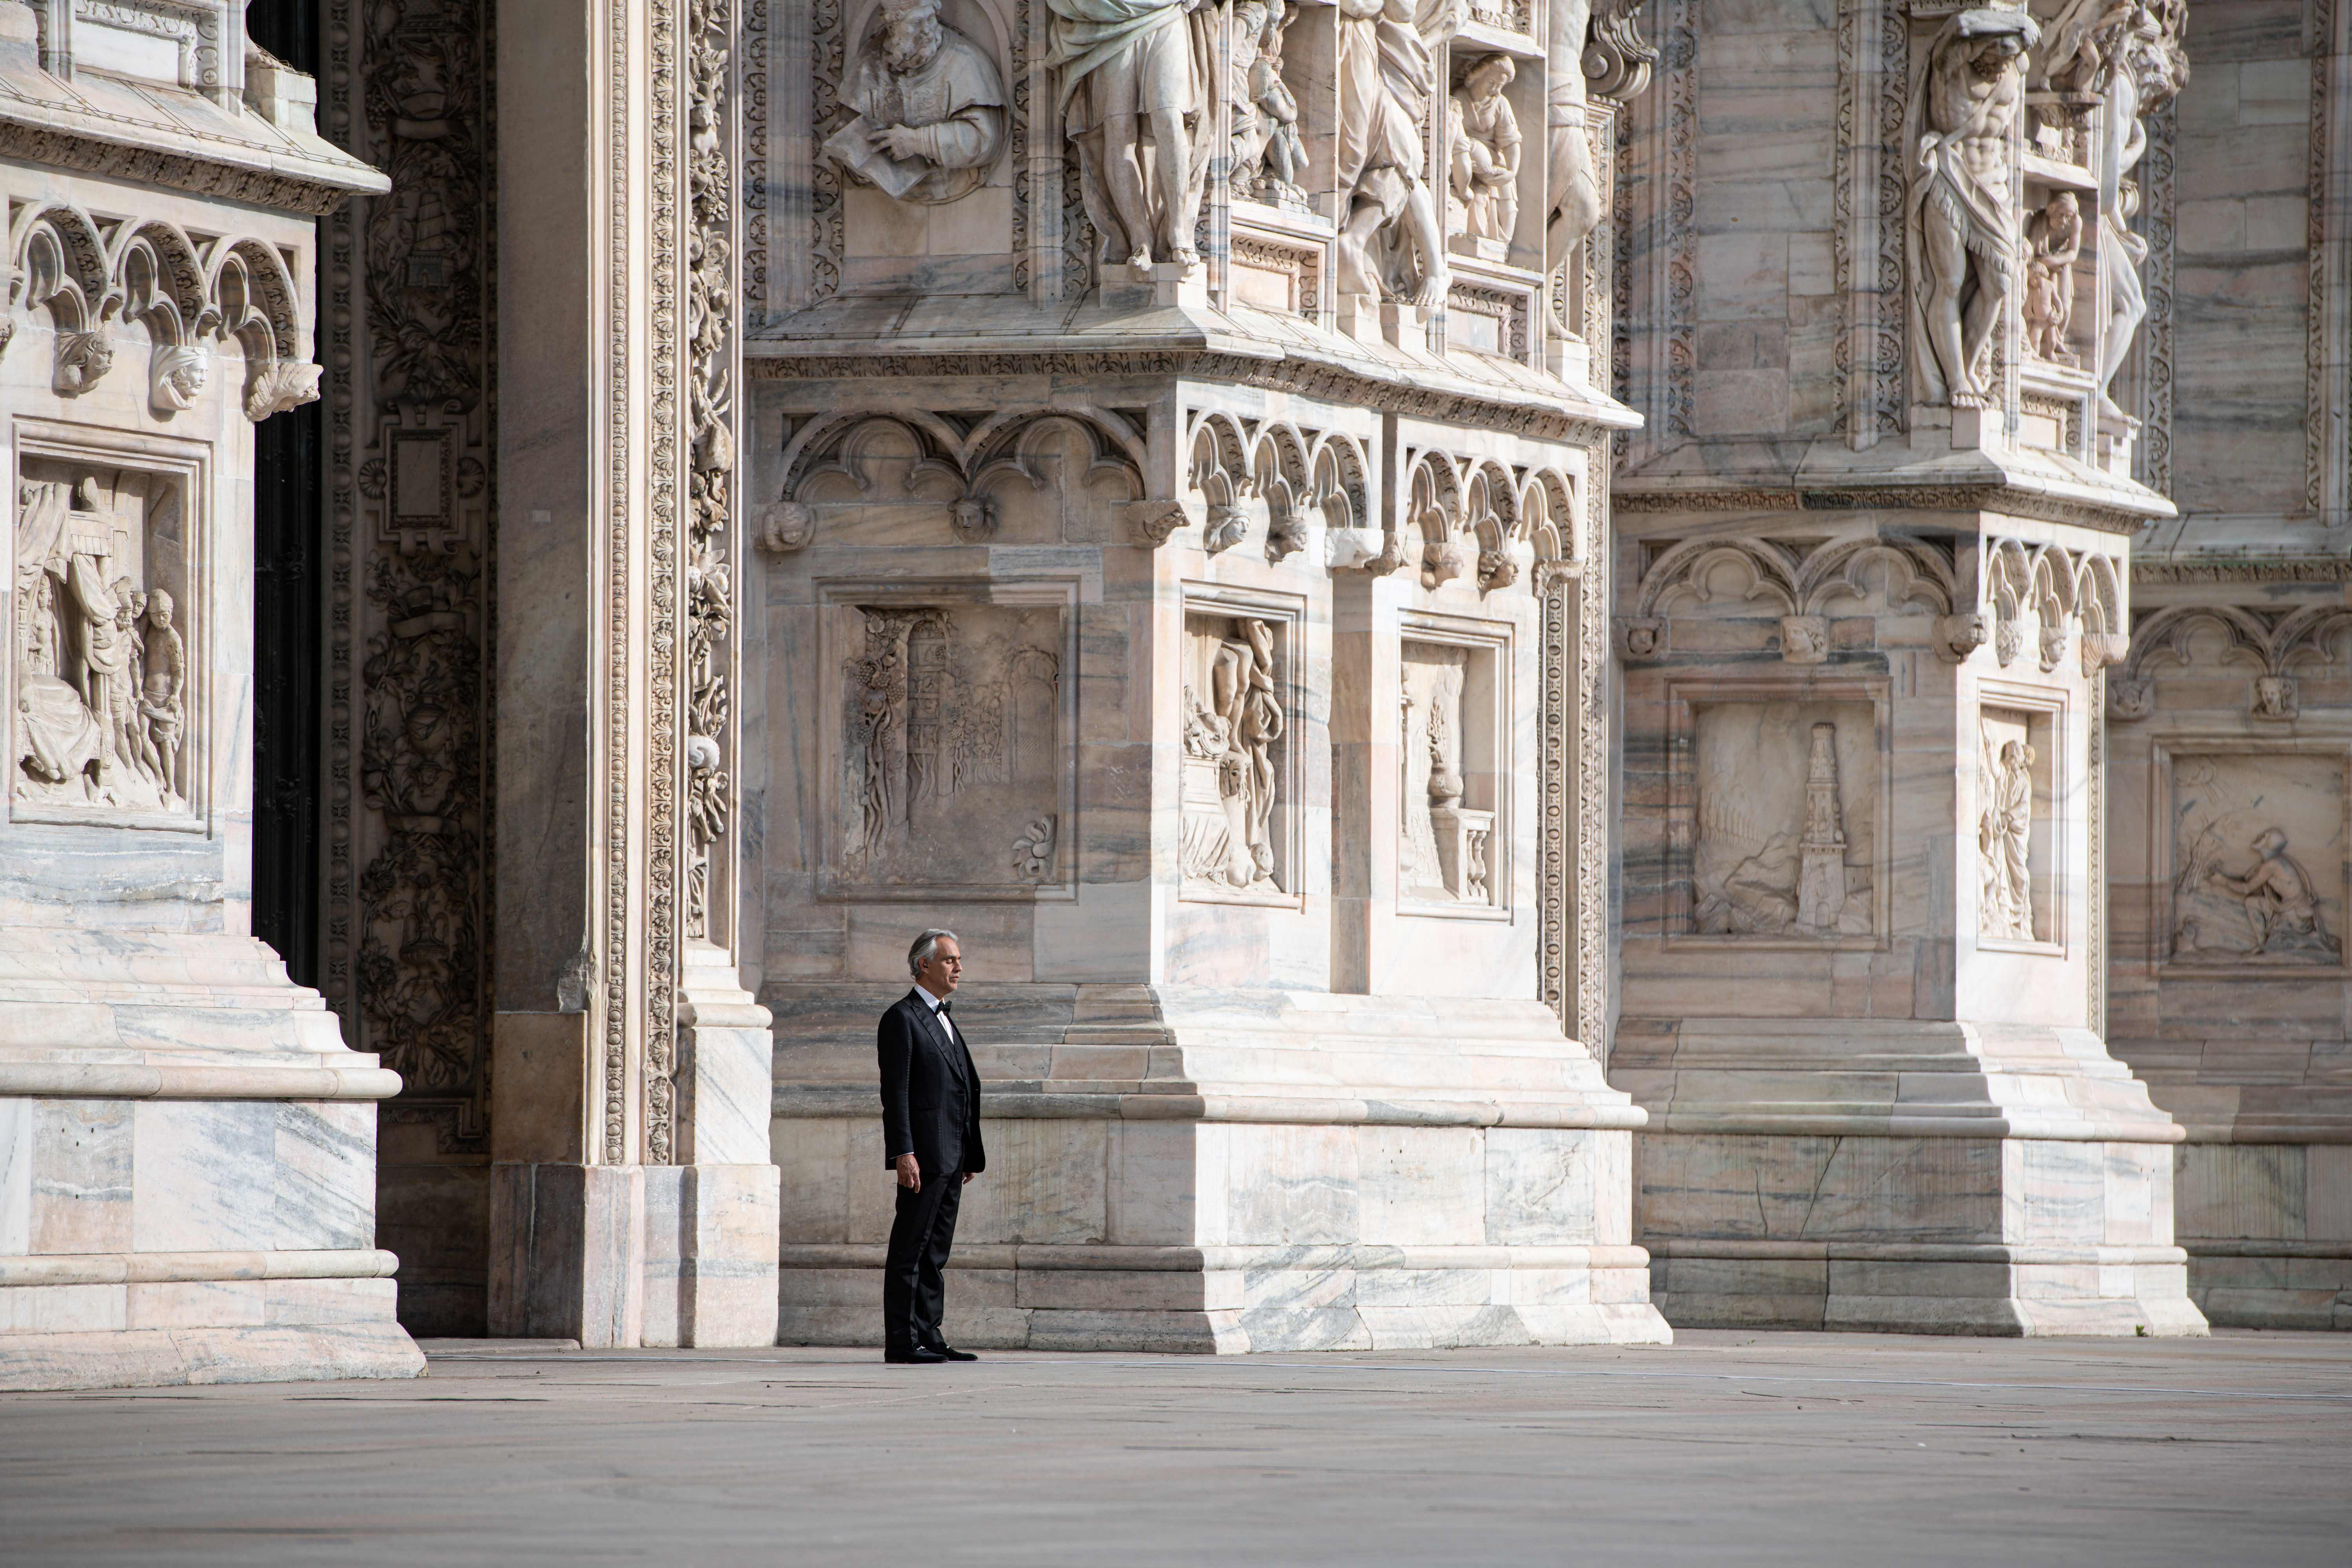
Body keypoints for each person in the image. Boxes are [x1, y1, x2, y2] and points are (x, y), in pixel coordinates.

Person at [877, 927, 986, 1363]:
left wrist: (968, 1151)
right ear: (924, 965)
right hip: (923, 1156)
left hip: (952, 1155)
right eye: (949, 960)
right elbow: (897, 1094)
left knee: (935, 1253)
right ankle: (902, 1342)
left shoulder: (944, 1017)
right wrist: (903, 1153)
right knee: (911, 1248)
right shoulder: (901, 1018)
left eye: (958, 960)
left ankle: (929, 1334)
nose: (958, 967)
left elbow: (960, 1086)